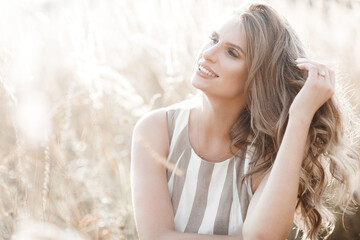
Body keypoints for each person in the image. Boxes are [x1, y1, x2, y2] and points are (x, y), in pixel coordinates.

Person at [130, 2, 360, 240]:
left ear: (258, 77)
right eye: (212, 39)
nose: (207, 54)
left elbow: (263, 236)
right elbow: (155, 236)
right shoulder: (156, 130)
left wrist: (300, 116)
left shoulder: (269, 153)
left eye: (232, 53)